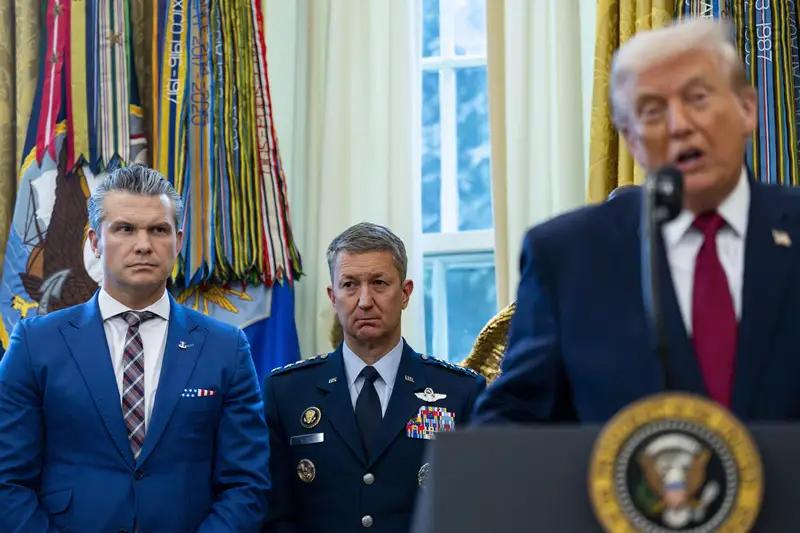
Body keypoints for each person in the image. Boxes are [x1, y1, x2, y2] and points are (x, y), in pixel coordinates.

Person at [472, 17, 800, 424]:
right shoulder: (568, 256)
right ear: (631, 139)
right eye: (652, 111)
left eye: (698, 98)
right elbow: (509, 423)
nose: (680, 126)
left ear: (747, 109)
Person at [0, 165, 270, 532]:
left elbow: (246, 485)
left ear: (178, 240)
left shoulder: (226, 348)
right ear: (95, 241)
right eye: (125, 229)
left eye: (158, 230)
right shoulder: (36, 344)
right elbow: (8, 479)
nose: (143, 244)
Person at [262, 222, 485, 532]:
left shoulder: (460, 392)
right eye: (350, 285)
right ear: (332, 297)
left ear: (405, 293)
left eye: (379, 283)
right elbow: (274, 515)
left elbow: (471, 509)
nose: (365, 300)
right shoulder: (287, 392)